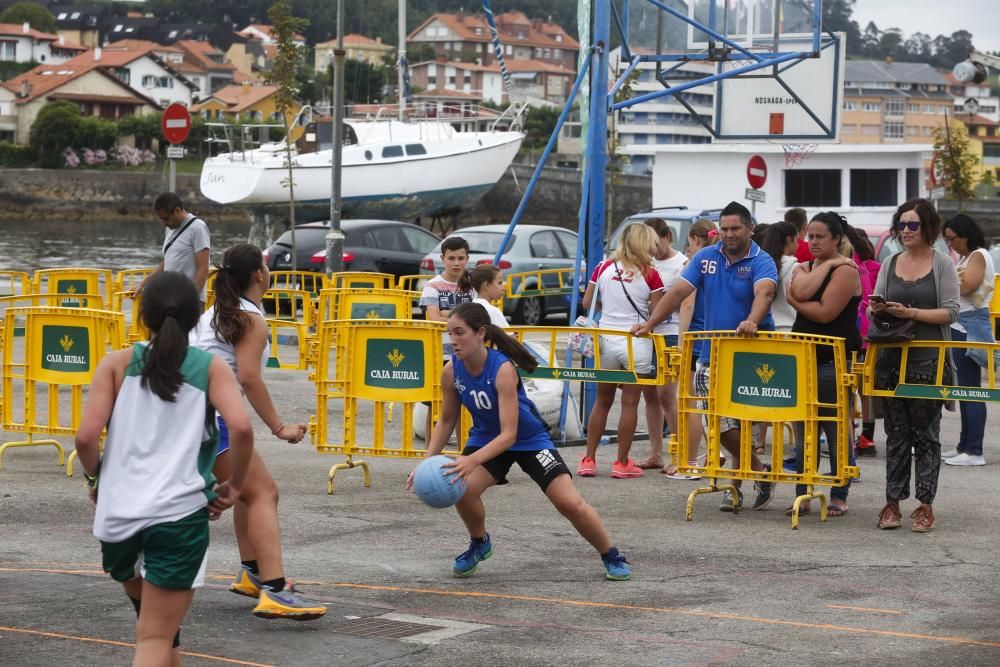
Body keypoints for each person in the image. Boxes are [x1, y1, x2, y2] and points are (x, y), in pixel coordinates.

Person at [75, 271, 253, 665]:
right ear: (195, 318)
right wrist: (235, 485)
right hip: (177, 513)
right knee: (155, 636)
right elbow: (240, 427)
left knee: (161, 631)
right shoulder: (208, 367)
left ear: (142, 315)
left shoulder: (116, 364)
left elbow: (86, 438)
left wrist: (96, 478)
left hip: (117, 513)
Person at [408, 302, 631, 580]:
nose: (452, 340)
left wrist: (471, 459)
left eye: (459, 333)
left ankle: (611, 554)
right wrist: (426, 460)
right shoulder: (451, 371)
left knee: (569, 503)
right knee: (462, 488)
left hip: (528, 440)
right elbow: (446, 420)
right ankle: (479, 542)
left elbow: (509, 434)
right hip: (486, 438)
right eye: (449, 333)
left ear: (480, 333)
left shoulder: (502, 369)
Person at [191, 244, 326, 620]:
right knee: (264, 492)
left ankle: (253, 571)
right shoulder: (251, 318)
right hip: (208, 413)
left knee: (249, 494)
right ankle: (276, 589)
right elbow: (248, 377)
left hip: (193, 411)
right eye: (265, 266)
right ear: (259, 276)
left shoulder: (218, 312)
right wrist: (279, 427)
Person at [634, 201, 777, 512]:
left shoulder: (762, 260)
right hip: (709, 355)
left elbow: (764, 293)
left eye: (735, 228)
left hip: (752, 357)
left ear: (749, 229)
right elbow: (676, 293)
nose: (728, 234)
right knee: (719, 424)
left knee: (739, 422)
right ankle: (760, 471)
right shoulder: (705, 257)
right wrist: (650, 323)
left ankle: (734, 487)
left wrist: (752, 319)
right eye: (724, 229)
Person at [871, 199, 959, 532]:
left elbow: (951, 312)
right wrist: (878, 309)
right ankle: (892, 503)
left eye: (913, 225)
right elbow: (874, 304)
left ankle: (925, 505)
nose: (906, 231)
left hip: (929, 362)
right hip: (892, 361)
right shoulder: (890, 261)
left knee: (926, 437)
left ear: (928, 228)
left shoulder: (942, 263)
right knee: (895, 437)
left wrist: (911, 313)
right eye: (902, 225)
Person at [786, 212, 862, 517]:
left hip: (834, 358)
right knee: (803, 429)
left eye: (820, 237)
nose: (813, 242)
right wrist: (828, 263)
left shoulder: (848, 271)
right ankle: (803, 494)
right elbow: (801, 292)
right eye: (810, 236)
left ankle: (839, 494)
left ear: (836, 239)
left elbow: (825, 313)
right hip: (803, 358)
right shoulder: (813, 266)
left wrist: (796, 302)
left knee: (834, 428)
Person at [577, 223, 664, 479]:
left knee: (602, 402)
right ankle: (621, 463)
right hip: (635, 341)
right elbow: (656, 312)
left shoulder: (603, 267)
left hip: (605, 339)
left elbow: (586, 302)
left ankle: (589, 459)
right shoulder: (650, 273)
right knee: (630, 404)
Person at [663, 220, 718, 480]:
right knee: (714, 404)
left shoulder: (693, 265)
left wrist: (682, 340)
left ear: (696, 240)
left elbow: (687, 304)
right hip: (717, 339)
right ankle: (713, 454)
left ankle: (690, 461)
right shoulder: (721, 264)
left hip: (695, 339)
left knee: (690, 403)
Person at [941, 213, 994, 466]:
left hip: (969, 325)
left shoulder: (978, 255)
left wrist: (944, 279)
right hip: (961, 324)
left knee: (971, 391)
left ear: (965, 235)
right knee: (964, 389)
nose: (950, 244)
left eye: (952, 239)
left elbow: (967, 287)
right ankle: (965, 445)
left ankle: (974, 450)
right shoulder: (965, 257)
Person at [635, 218, 687, 472]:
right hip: (648, 332)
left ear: (668, 236)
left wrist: (661, 301)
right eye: (648, 244)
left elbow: (684, 300)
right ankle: (655, 452)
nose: (653, 249)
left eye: (657, 243)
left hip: (670, 333)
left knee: (667, 395)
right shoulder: (647, 264)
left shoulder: (682, 264)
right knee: (650, 395)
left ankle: (679, 452)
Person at [420, 236, 476, 439]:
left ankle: (464, 454)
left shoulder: (472, 286)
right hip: (438, 355)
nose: (456, 263)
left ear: (467, 259)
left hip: (467, 355)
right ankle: (429, 456)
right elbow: (434, 318)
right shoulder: (432, 286)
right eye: (451, 258)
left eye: (461, 258)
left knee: (465, 406)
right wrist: (462, 317)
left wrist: (447, 314)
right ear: (443, 258)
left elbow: (477, 318)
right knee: (434, 405)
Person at [843, 225, 882, 457]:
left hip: (855, 333)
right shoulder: (872, 266)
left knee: (848, 389)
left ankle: (849, 437)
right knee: (866, 389)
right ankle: (866, 437)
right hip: (870, 334)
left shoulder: (851, 265)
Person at [136, 192, 211, 310]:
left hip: (188, 302)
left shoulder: (198, 228)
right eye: (161, 219)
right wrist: (144, 284)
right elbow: (168, 261)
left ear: (177, 210)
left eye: (166, 219)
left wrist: (190, 300)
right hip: (169, 299)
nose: (164, 223)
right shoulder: (170, 228)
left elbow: (203, 269)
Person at [469, 263, 508, 328]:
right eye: (500, 283)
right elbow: (511, 337)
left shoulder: (468, 309)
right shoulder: (493, 311)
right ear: (487, 285)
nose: (503, 288)